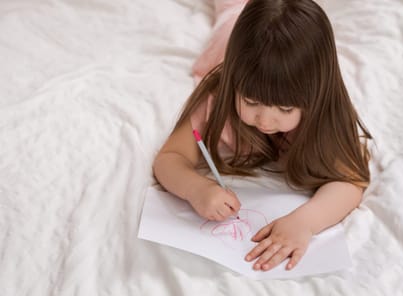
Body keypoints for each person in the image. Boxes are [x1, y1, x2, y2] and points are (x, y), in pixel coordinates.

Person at [153, 0, 372, 272]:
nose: (265, 120)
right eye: (251, 101)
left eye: (285, 108)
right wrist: (196, 189)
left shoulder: (324, 111)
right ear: (233, 83)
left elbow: (351, 179)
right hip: (230, 29)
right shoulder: (216, 95)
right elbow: (170, 158)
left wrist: (305, 222)